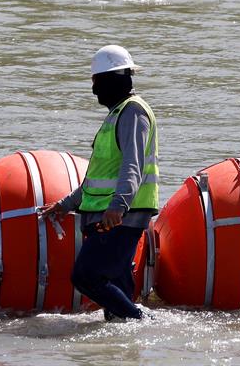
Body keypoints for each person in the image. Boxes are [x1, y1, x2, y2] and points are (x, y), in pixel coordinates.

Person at [41, 45, 159, 321]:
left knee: (86, 276)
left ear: (113, 80)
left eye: (97, 82)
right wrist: (64, 205)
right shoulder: (116, 115)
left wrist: (118, 206)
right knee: (115, 290)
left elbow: (134, 164)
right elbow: (96, 180)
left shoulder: (133, 113)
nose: (94, 91)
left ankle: (142, 323)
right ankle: (125, 344)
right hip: (108, 214)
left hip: (120, 216)